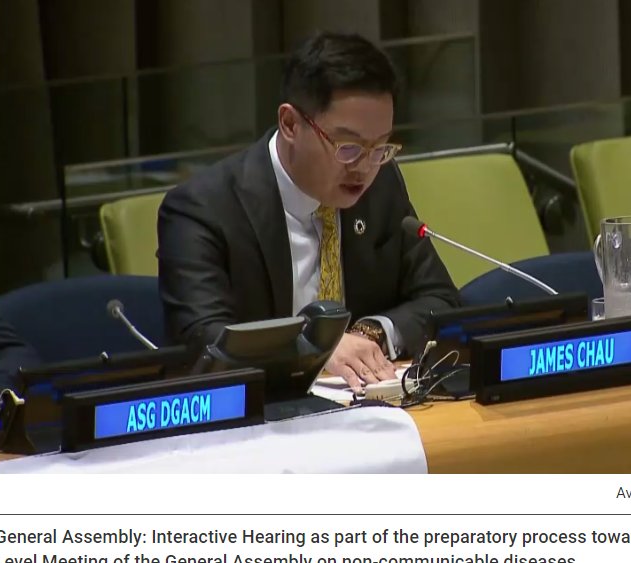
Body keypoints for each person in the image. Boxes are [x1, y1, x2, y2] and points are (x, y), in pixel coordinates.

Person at [157, 32, 458, 391]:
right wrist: (314, 347)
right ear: (290, 124)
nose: (364, 167)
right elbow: (205, 343)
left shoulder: (382, 184)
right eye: (348, 146)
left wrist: (371, 333)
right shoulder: (202, 209)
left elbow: (441, 301)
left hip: (365, 404)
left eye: (380, 147)